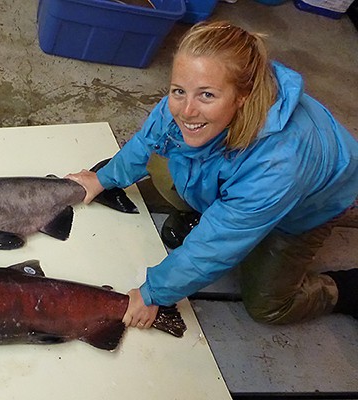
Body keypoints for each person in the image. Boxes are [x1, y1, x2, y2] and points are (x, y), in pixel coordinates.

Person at [66, 20, 358, 329]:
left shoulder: (278, 165)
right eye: (179, 90)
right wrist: (102, 179)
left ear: (242, 96)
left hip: (311, 204)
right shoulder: (185, 102)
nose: (186, 110)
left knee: (267, 306)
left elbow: (214, 249)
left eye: (206, 95)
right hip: (244, 173)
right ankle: (214, 208)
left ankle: (345, 289)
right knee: (162, 164)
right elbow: (146, 142)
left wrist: (153, 293)